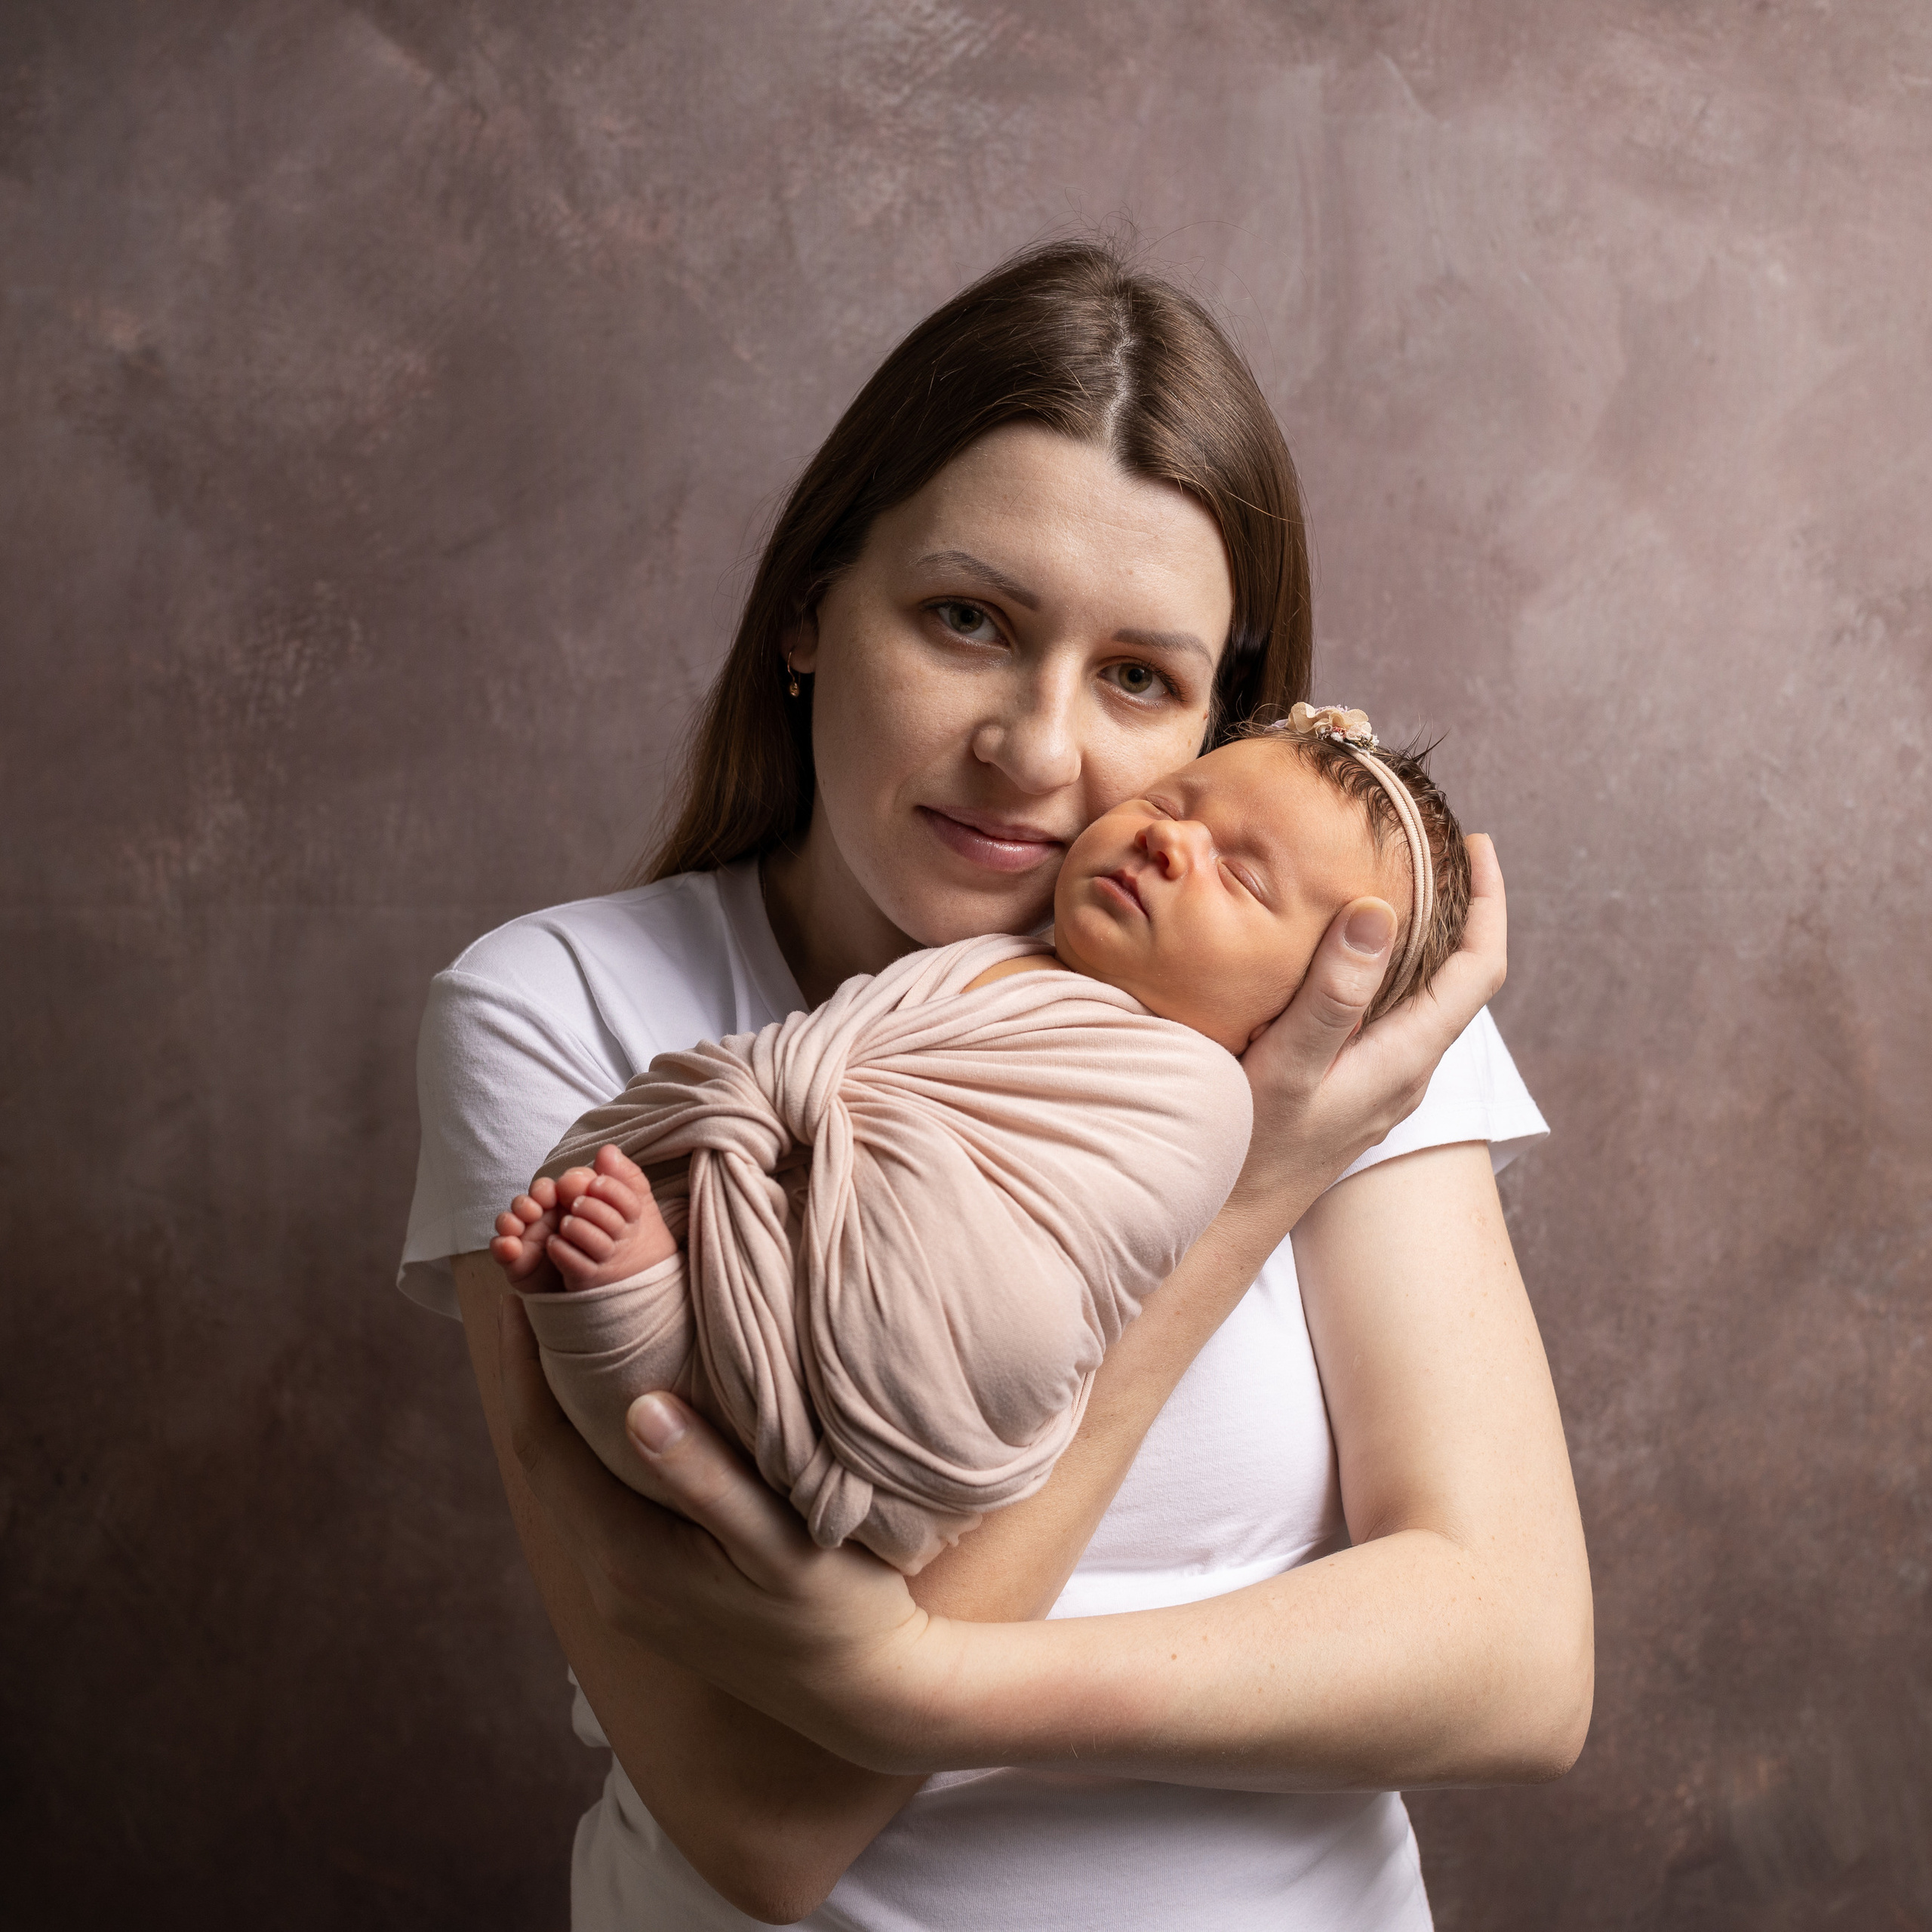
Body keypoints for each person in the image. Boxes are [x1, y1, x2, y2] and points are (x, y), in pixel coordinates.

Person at [400, 240, 1592, 1930]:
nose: (1036, 751)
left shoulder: (1327, 995)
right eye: (966, 619)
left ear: (1218, 717)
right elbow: (762, 1823)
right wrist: (1252, 1185)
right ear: (809, 606)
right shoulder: (569, 1006)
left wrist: (907, 1682)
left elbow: (1518, 1663)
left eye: (1138, 678)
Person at [487, 712, 1470, 1580]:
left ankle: (668, 1333)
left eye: (1244, 877)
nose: (1172, 842)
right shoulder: (1001, 954)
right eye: (1175, 801)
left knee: (988, 1323)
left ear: (1310, 1009)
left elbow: (1025, 1253)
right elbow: (864, 1052)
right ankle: (655, 1315)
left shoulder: (1201, 1096)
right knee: (649, 1277)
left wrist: (850, 1154)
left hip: (922, 1327)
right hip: (787, 1222)